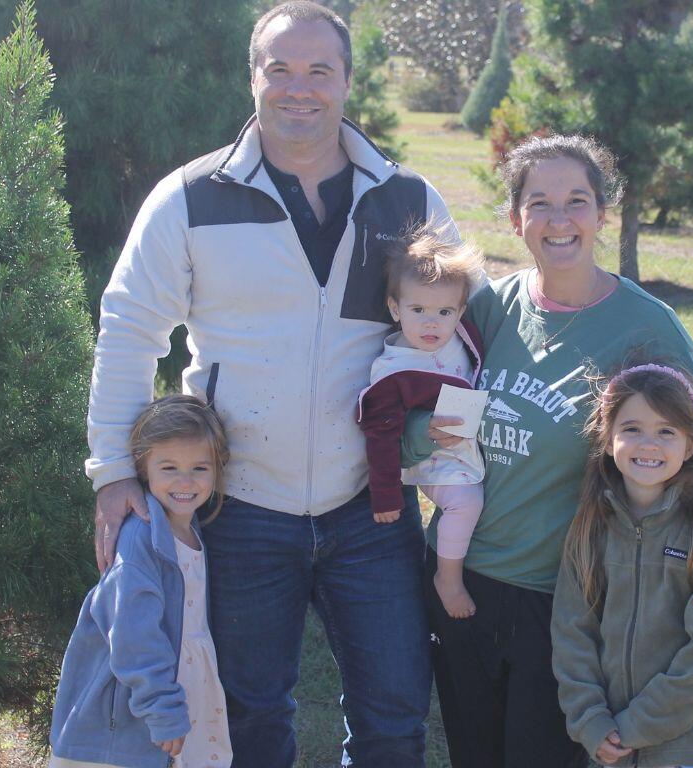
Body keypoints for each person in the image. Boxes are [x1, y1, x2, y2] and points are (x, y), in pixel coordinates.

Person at [84, 3, 456, 765]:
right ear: (252, 77)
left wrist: (453, 459)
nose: (299, 88)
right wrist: (114, 472)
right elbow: (129, 331)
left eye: (320, 70)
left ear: (348, 81)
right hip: (240, 508)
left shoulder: (409, 201)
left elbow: (463, 336)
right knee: (248, 718)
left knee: (394, 718)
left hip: (373, 510)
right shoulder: (189, 197)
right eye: (279, 69)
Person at [403, 134, 693, 768]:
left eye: (576, 200)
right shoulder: (491, 306)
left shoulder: (646, 325)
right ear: (515, 218)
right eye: (539, 202)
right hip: (460, 580)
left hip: (566, 598)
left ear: (602, 214)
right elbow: (420, 404)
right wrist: (426, 435)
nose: (559, 219)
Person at [552, 364, 693, 768]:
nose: (649, 444)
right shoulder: (591, 526)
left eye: (666, 431)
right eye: (632, 429)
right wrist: (591, 720)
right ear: (607, 440)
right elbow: (572, 631)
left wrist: (636, 726)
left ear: (690, 445)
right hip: (611, 740)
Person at [50, 395, 232, 768]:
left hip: (183, 687)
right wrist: (162, 708)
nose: (185, 481)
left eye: (199, 468)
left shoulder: (190, 529)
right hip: (131, 712)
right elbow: (134, 637)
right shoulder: (141, 541)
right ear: (143, 468)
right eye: (169, 468)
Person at [357, 228, 486, 618]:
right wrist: (385, 496)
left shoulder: (459, 335)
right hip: (432, 460)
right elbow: (379, 437)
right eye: (418, 312)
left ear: (460, 312)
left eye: (444, 312)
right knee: (466, 503)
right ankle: (447, 579)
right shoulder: (393, 372)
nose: (432, 324)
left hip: (467, 442)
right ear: (395, 309)